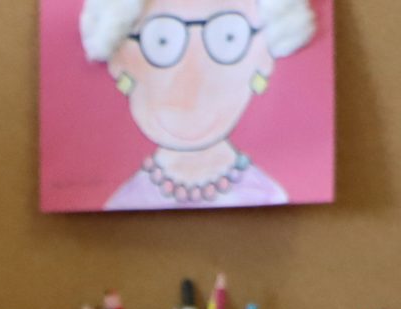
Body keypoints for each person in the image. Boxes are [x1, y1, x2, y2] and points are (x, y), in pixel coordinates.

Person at [78, 0, 318, 209]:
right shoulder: (119, 200)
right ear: (119, 63)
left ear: (264, 61)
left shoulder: (271, 194)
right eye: (161, 41)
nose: (190, 81)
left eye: (228, 37)